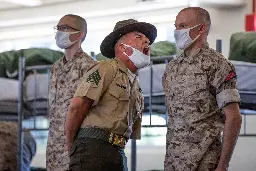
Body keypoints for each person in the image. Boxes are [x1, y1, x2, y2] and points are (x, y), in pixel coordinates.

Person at [64, 19, 157, 171]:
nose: (147, 41)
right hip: (93, 149)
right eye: (139, 37)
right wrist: (71, 146)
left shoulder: (134, 83)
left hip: (117, 151)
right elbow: (76, 107)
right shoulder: (106, 68)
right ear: (122, 47)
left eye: (147, 39)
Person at [163, 7, 242, 171]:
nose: (177, 31)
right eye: (176, 26)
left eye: (183, 26)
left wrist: (223, 166)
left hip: (205, 162)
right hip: (173, 162)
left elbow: (233, 118)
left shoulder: (218, 65)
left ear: (201, 28)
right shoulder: (172, 67)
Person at [46, 14, 97, 171]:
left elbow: (89, 109)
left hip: (76, 146)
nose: (60, 32)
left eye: (65, 28)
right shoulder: (55, 68)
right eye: (58, 28)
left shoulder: (91, 67)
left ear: (80, 34)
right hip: (54, 145)